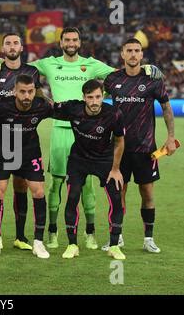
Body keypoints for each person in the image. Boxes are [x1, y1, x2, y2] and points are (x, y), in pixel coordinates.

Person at [0, 27, 164, 250]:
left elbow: (121, 72)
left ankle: (89, 233)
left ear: (80, 42)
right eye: (67, 39)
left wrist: (145, 67)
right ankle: (52, 233)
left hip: (86, 131)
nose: (71, 43)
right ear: (61, 43)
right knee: (56, 184)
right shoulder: (49, 63)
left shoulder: (92, 64)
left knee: (86, 186)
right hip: (60, 129)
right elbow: (21, 65)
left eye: (74, 39)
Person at [103, 38, 177, 253]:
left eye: (137, 51)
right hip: (119, 149)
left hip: (146, 150)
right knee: (119, 194)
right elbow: (94, 96)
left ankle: (148, 239)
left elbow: (167, 108)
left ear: (142, 55)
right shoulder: (112, 79)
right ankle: (117, 238)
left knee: (147, 194)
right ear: (122, 54)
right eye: (129, 51)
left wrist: (171, 137)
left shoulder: (153, 80)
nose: (133, 54)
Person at [0, 32, 44, 251]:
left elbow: (40, 97)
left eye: (16, 42)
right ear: (2, 48)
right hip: (1, 138)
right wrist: (2, 105)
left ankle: (20, 236)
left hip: (27, 140)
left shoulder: (32, 72)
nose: (12, 46)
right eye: (8, 43)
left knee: (22, 186)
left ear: (21, 47)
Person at [51, 79, 126, 260]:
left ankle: (114, 246)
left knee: (116, 198)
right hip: (78, 160)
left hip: (104, 160)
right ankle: (72, 244)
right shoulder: (72, 108)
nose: (94, 101)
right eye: (90, 97)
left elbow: (119, 141)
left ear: (103, 97)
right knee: (73, 197)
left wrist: (115, 169)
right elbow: (46, 107)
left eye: (98, 97)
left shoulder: (113, 114)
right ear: (83, 97)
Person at [0, 74, 52, 259]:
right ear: (15, 91)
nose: (26, 96)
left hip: (30, 152)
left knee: (38, 192)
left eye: (30, 92)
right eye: (22, 92)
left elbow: (64, 109)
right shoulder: (0, 106)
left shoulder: (41, 106)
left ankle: (38, 242)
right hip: (4, 151)